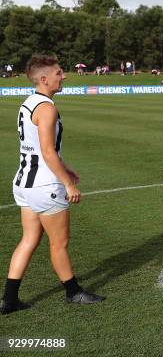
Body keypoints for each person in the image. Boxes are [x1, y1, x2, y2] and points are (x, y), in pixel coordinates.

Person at [0, 55, 104, 315]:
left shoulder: (28, 103)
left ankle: (9, 300)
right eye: (59, 73)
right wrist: (68, 184)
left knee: (29, 239)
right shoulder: (47, 107)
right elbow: (47, 151)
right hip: (44, 186)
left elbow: (37, 148)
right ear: (44, 79)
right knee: (59, 243)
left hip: (24, 182)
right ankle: (73, 293)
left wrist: (64, 166)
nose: (64, 76)